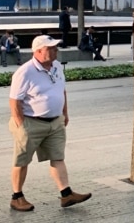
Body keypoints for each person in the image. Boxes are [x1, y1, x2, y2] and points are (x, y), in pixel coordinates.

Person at [8, 35, 91, 212]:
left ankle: (66, 194)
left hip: (55, 122)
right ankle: (17, 197)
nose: (55, 51)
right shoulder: (24, 72)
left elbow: (62, 90)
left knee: (58, 157)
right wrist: (21, 125)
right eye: (51, 48)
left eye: (56, 47)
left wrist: (64, 113)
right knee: (22, 160)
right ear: (38, 51)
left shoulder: (57, 66)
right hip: (31, 122)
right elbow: (14, 101)